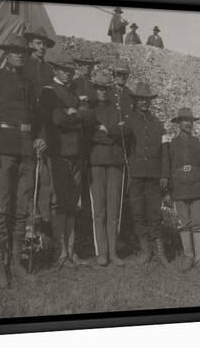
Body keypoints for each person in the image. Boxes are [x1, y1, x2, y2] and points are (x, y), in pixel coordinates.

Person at [0, 34, 46, 288]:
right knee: (1, 209)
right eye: (15, 51)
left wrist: (40, 137)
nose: (20, 55)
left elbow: (37, 117)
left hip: (26, 150)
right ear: (6, 53)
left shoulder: (28, 82)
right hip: (2, 149)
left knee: (22, 209)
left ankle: (16, 263)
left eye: (23, 52)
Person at [40, 51, 97, 268]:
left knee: (72, 202)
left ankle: (71, 252)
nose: (67, 74)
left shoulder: (73, 92)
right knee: (59, 202)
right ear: (55, 70)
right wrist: (76, 114)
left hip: (77, 153)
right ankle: (60, 252)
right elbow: (57, 120)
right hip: (59, 152)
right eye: (64, 70)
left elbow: (89, 119)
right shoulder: (49, 91)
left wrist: (73, 112)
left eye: (70, 71)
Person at [121, 81, 171, 268]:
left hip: (154, 176)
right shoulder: (129, 121)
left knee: (155, 214)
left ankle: (160, 253)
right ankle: (145, 252)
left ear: (150, 102)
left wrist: (164, 175)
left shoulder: (158, 124)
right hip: (136, 175)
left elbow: (165, 152)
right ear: (135, 101)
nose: (144, 103)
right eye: (140, 100)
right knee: (138, 213)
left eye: (146, 100)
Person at [88, 71, 127, 267]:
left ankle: (113, 251)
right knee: (99, 210)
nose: (102, 92)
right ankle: (101, 252)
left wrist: (106, 131)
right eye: (99, 88)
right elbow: (88, 133)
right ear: (95, 89)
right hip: (96, 161)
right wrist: (109, 134)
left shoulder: (117, 109)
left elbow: (124, 131)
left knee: (114, 210)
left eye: (106, 88)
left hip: (116, 163)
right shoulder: (90, 108)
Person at [168, 108, 200, 272]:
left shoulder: (199, 144)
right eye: (184, 120)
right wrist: (168, 190)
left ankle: (199, 259)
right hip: (179, 187)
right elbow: (168, 167)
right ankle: (188, 256)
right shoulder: (172, 144)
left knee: (197, 223)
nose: (187, 123)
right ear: (178, 123)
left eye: (190, 120)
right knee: (184, 224)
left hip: (197, 187)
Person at [22, 26, 57, 228]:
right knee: (27, 175)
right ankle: (27, 218)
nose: (41, 47)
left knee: (44, 177)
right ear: (29, 44)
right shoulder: (23, 65)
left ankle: (43, 223)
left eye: (43, 44)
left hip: (45, 125)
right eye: (37, 43)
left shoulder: (48, 70)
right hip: (26, 125)